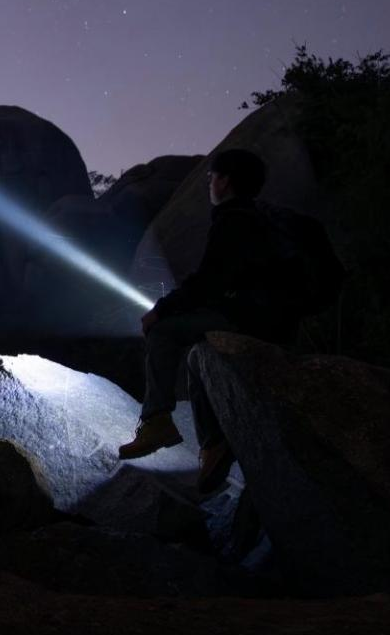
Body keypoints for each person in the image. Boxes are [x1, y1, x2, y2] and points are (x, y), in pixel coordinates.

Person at [115, 147, 298, 493]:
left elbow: (211, 279)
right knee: (200, 353)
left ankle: (156, 420)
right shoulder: (259, 217)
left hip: (252, 319)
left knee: (164, 332)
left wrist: (162, 309)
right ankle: (213, 444)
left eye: (212, 177)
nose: (209, 183)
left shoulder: (234, 219)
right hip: (272, 318)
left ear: (225, 181)